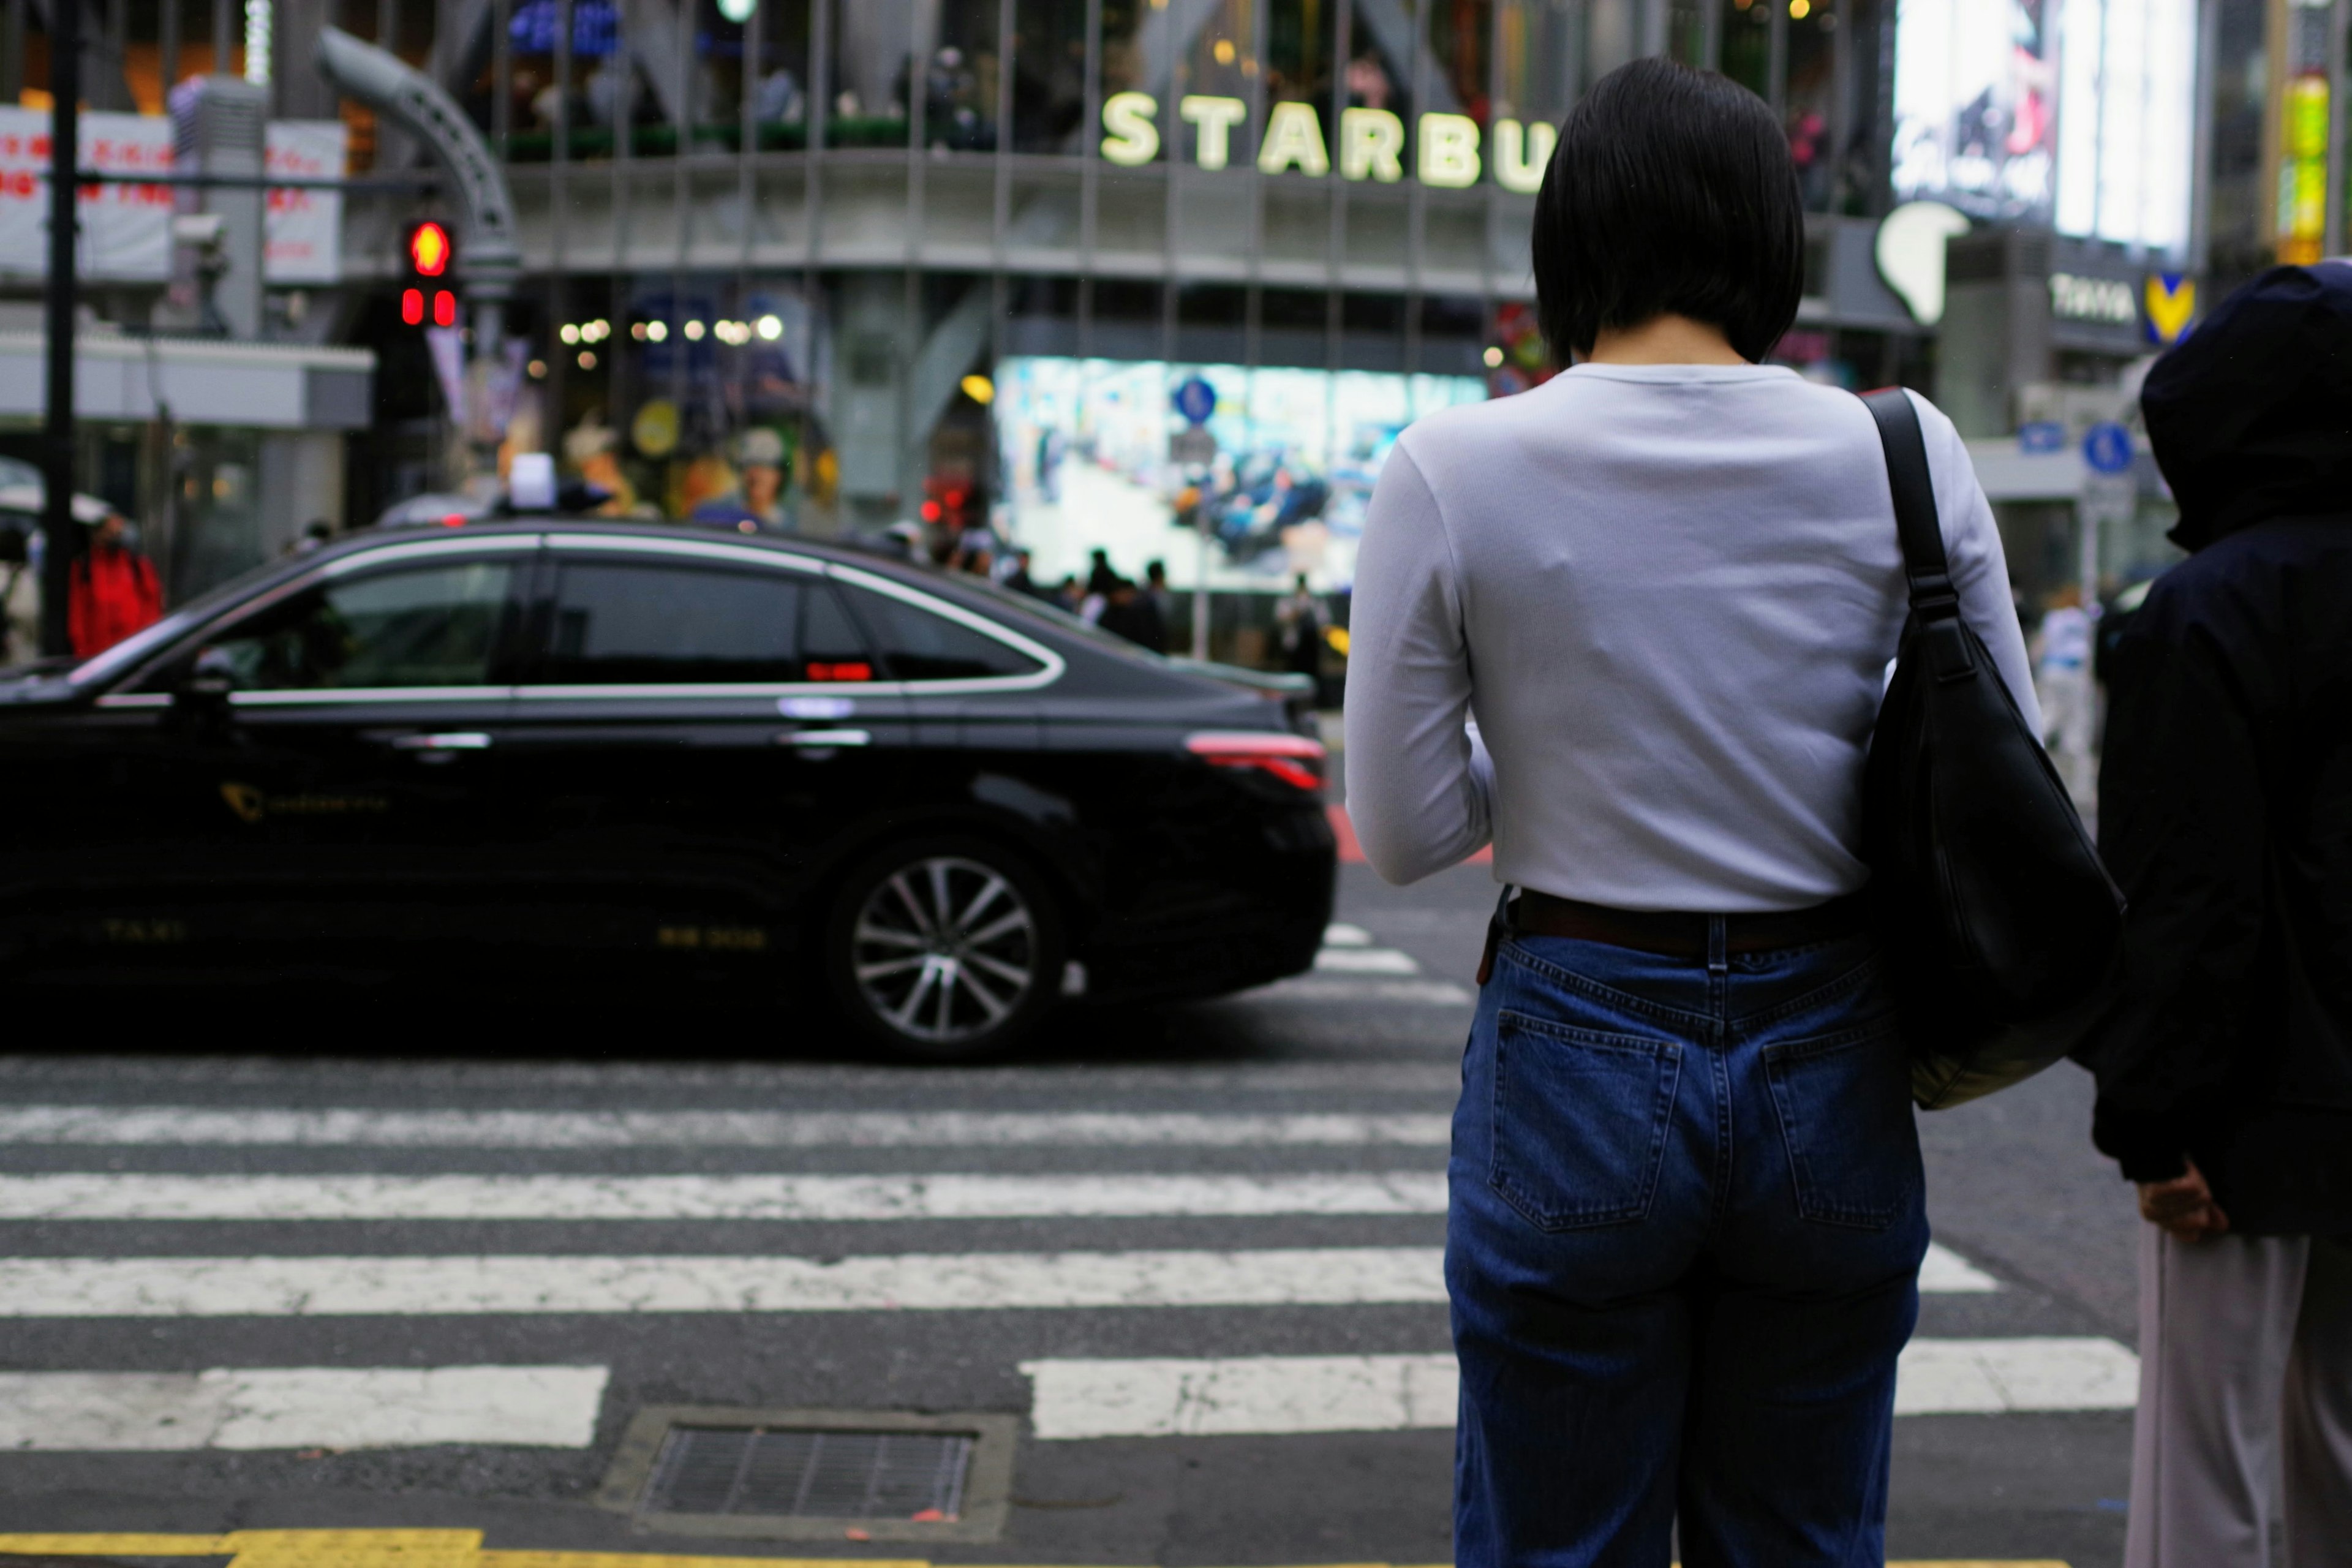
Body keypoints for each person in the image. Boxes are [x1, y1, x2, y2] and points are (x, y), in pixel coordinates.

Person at [1344, 58, 2037, 1566]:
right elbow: (2003, 776)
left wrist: (1545, 735)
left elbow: (1400, 830)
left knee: (1555, 1537)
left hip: (1574, 1027)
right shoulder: (1904, 451)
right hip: (1828, 1042)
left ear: (1566, 239)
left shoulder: (1454, 465)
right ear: (1769, 240)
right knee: (1797, 1531)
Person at [2075, 262, 2352, 1568]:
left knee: (2209, 1485)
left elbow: (2189, 893)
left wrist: (2151, 1121)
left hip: (2241, 1120)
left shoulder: (2204, 611)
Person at [68, 506, 164, 660]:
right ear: (96, 534)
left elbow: (152, 609)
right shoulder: (84, 568)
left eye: (117, 532)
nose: (113, 537)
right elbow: (77, 617)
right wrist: (82, 655)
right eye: (109, 531)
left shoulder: (138, 566)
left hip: (132, 654)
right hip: (97, 656)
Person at [1273, 573, 1326, 681]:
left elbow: (1324, 621)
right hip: (1294, 646)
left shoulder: (1315, 601)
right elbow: (1281, 619)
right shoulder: (1287, 601)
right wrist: (1297, 611)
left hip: (1312, 647)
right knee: (1292, 675)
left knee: (1312, 677)